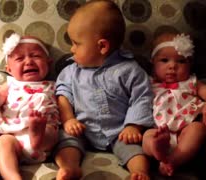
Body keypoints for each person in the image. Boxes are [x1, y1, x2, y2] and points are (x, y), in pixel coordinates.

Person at [54, 0, 154, 179]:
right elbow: (62, 95)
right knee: (66, 142)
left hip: (119, 132)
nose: (71, 49)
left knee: (135, 150)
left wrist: (133, 126)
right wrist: (68, 120)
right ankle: (70, 167)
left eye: (76, 43)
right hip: (82, 129)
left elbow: (142, 97)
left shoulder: (129, 70)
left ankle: (140, 173)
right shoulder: (70, 72)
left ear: (102, 46)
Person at [0, 33, 60, 180]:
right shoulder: (11, 83)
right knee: (2, 143)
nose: (28, 62)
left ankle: (37, 135)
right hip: (14, 136)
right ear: (9, 70)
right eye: (20, 58)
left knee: (51, 132)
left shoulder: (54, 85)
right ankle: (13, 177)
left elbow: (64, 104)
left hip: (44, 132)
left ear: (49, 63)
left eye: (36, 56)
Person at [142, 32, 206, 176]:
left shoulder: (190, 83)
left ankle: (171, 161)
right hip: (159, 129)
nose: (172, 66)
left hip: (184, 130)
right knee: (148, 136)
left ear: (190, 64)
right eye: (164, 60)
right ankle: (156, 148)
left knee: (197, 129)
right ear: (153, 62)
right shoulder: (149, 84)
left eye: (181, 61)